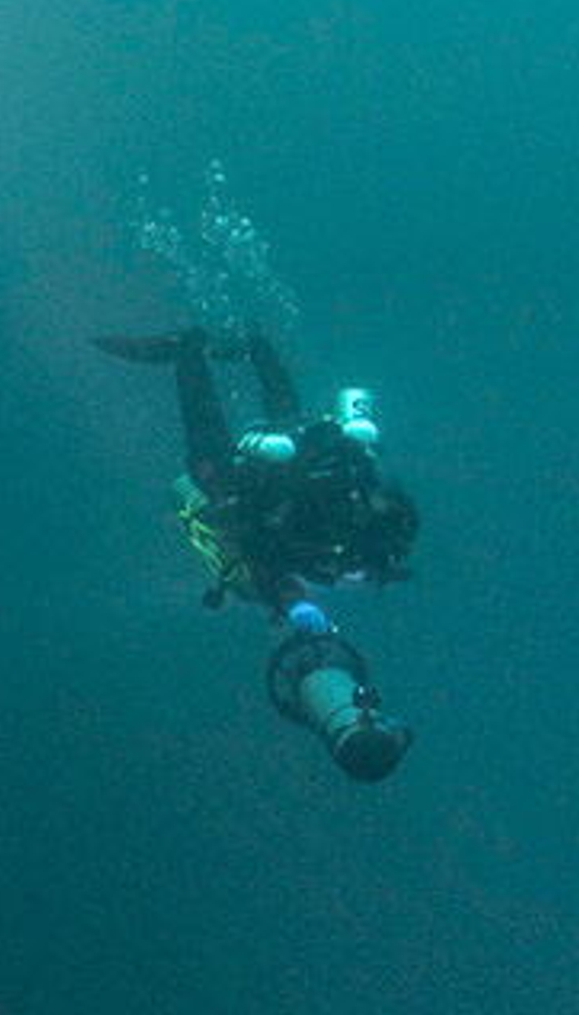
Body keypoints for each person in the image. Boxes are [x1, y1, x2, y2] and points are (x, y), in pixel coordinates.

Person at [98, 329, 421, 778]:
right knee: (216, 462)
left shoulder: (367, 524)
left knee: (282, 426)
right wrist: (296, 599)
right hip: (282, 495)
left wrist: (297, 600)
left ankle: (243, 343)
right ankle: (194, 351)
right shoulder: (350, 526)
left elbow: (284, 566)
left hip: (300, 483)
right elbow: (274, 559)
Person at [96, 330, 417, 610]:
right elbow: (265, 544)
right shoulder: (337, 538)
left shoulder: (360, 516)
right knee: (211, 462)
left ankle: (254, 345)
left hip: (303, 458)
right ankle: (189, 351)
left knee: (288, 422)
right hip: (274, 479)